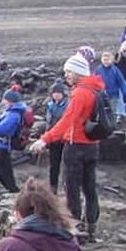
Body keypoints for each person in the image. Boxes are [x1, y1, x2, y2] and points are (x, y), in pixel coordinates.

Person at [29, 54, 105, 238]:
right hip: (92, 145)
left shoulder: (80, 93)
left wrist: (44, 139)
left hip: (76, 145)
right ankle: (91, 225)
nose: (66, 76)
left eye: (69, 72)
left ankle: (74, 225)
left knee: (71, 187)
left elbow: (67, 120)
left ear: (78, 71)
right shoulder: (97, 90)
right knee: (90, 187)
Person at [0, 88, 27, 193]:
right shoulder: (11, 111)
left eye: (4, 99)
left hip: (3, 146)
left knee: (4, 171)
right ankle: (11, 189)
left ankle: (13, 190)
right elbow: (1, 122)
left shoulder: (14, 115)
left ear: (10, 101)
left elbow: (0, 130)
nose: (2, 101)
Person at [45, 82, 69, 193]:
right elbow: (48, 123)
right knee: (53, 165)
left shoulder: (68, 105)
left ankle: (66, 187)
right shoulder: (50, 105)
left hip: (64, 138)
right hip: (52, 138)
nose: (56, 95)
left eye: (58, 93)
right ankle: (52, 187)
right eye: (54, 93)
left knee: (66, 164)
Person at [95, 52, 126, 116]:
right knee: (102, 113)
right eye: (104, 60)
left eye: (108, 60)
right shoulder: (98, 70)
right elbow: (94, 81)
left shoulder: (115, 70)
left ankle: (113, 124)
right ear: (101, 60)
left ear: (111, 60)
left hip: (113, 95)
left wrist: (125, 94)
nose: (106, 62)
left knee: (112, 113)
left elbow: (121, 82)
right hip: (101, 96)